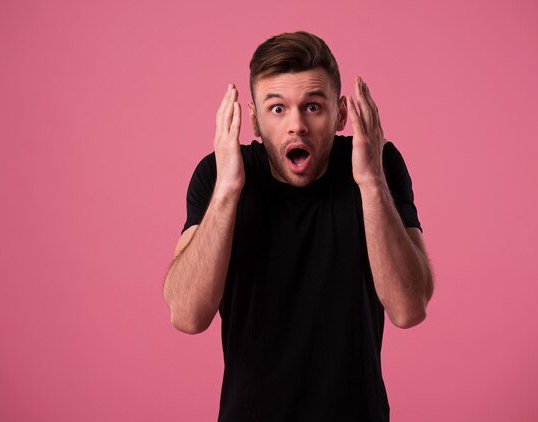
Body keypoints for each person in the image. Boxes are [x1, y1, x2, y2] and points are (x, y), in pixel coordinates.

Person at [163, 30, 434, 422]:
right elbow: (187, 316)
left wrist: (372, 183)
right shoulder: (218, 174)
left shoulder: (377, 164)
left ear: (340, 113)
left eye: (313, 107)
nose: (297, 126)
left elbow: (410, 309)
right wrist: (226, 192)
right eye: (277, 109)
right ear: (253, 120)